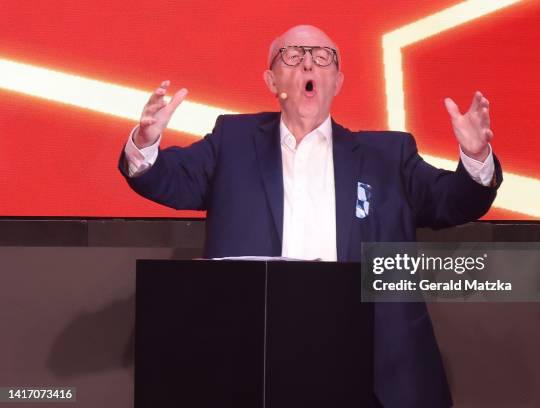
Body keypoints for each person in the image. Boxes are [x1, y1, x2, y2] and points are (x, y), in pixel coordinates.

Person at [119, 25, 501, 408]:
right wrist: (146, 142)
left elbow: (454, 201)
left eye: (321, 58)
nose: (307, 65)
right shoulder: (232, 142)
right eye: (292, 56)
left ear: (337, 81)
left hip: (370, 369)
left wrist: (475, 157)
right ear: (271, 79)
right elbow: (166, 180)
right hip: (257, 362)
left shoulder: (389, 156)